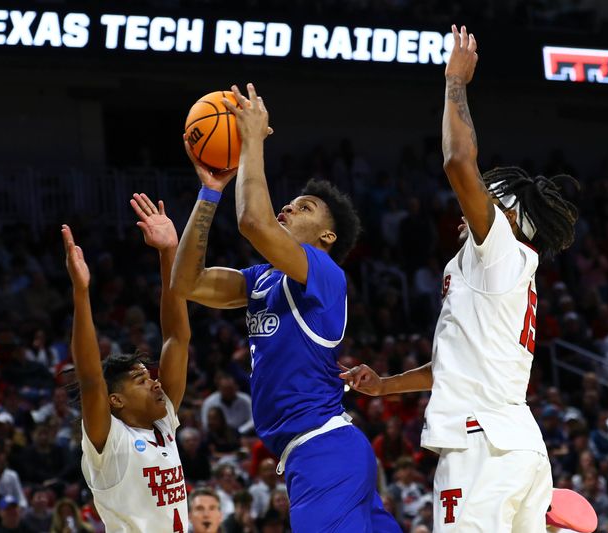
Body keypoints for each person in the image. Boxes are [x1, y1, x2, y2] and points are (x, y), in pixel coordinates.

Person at [340, 25, 579, 532]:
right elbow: (451, 366)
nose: (468, 206)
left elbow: (456, 161)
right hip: (516, 443)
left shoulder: (500, 251)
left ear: (507, 213)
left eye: (484, 197)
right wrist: (385, 387)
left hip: (481, 447)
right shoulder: (496, 271)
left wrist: (455, 84)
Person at [172, 83, 399, 532]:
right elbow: (186, 282)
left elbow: (253, 222)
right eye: (290, 203)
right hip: (315, 456)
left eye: (305, 207)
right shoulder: (262, 280)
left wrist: (252, 140)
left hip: (324, 452)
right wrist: (210, 191)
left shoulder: (326, 274)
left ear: (327, 237)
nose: (288, 208)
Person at [64, 191, 190, 532]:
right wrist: (81, 292)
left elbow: (177, 338)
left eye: (150, 375)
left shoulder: (165, 425)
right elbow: (90, 378)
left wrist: (169, 252)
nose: (156, 382)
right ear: (115, 400)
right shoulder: (110, 441)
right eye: (141, 379)